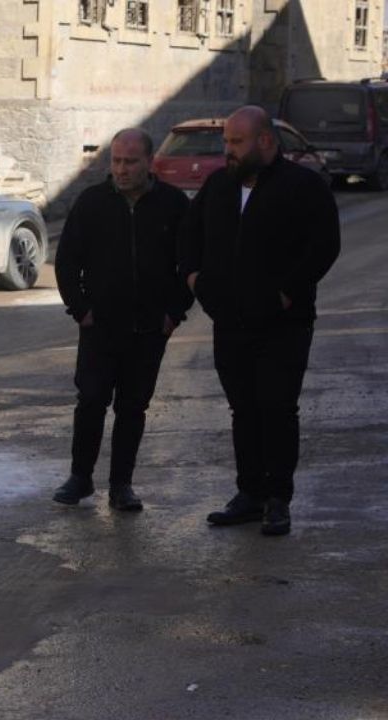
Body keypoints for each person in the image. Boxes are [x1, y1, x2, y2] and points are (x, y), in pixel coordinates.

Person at [179, 106, 340, 536]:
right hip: (229, 323)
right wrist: (196, 279)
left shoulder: (303, 187)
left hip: (284, 325)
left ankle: (277, 500)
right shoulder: (218, 186)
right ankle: (249, 494)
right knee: (244, 410)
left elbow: (324, 246)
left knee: (277, 408)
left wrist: (288, 291)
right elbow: (190, 237)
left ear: (265, 142)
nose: (227, 151)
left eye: (236, 142)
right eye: (227, 142)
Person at [53, 128, 193, 511]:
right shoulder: (92, 202)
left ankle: (121, 485)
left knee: (133, 408)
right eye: (116, 160)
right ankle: (80, 478)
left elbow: (190, 263)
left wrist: (173, 313)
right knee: (91, 400)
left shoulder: (173, 204)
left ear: (149, 162)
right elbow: (66, 262)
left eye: (130, 161)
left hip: (149, 329)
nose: (122, 169)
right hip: (101, 327)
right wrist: (81, 310)